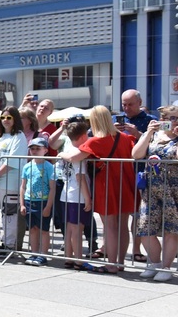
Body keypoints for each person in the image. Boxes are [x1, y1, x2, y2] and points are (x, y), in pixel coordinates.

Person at [59, 105, 137, 274]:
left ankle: (111, 264)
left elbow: (73, 157)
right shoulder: (125, 137)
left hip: (106, 185)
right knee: (123, 226)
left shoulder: (94, 141)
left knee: (110, 226)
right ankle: (120, 262)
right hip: (126, 183)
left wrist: (60, 154)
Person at [131, 106, 178, 281]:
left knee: (171, 229)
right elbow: (136, 154)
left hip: (173, 189)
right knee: (145, 228)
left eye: (176, 118)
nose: (174, 122)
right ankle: (155, 263)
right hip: (150, 188)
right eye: (170, 118)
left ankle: (166, 267)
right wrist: (148, 132)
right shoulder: (154, 135)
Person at [0, 106, 27, 255]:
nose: (5, 120)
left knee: (8, 215)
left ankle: (8, 244)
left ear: (15, 119)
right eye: (3, 117)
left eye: (9, 118)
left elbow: (11, 161)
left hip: (10, 181)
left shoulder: (19, 136)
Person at [118, 89, 155, 264]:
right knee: (119, 214)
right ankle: (113, 249)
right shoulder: (116, 119)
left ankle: (136, 250)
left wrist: (138, 135)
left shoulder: (150, 121)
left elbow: (156, 146)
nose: (126, 108)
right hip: (119, 172)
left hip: (141, 173)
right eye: (124, 104)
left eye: (130, 104)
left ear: (140, 103)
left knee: (138, 214)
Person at [57, 118, 94, 269]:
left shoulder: (67, 151)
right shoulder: (79, 153)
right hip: (77, 195)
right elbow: (80, 177)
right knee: (77, 229)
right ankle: (78, 260)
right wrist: (87, 198)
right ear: (84, 136)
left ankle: (69, 257)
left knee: (70, 229)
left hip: (66, 194)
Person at [19, 137, 56, 265]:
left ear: (45, 150)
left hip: (43, 202)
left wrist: (48, 206)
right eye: (32, 149)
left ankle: (43, 255)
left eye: (37, 148)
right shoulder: (27, 166)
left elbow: (52, 188)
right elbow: (23, 186)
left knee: (44, 230)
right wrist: (22, 204)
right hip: (29, 201)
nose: (34, 151)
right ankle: (34, 253)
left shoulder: (49, 167)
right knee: (33, 229)